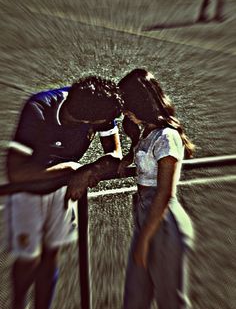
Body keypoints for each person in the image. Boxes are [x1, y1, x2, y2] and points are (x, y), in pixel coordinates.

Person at [6, 75, 123, 309]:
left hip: (62, 190)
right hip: (28, 193)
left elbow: (115, 154)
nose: (111, 122)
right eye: (106, 120)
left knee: (51, 255)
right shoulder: (38, 109)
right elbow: (16, 173)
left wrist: (87, 171)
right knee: (29, 258)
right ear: (88, 119)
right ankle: (18, 304)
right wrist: (70, 168)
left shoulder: (98, 108)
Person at [118, 69, 195, 309]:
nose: (124, 111)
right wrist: (128, 157)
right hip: (147, 218)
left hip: (162, 223)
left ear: (140, 103)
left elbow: (164, 193)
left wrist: (144, 240)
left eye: (127, 104)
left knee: (170, 301)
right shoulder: (149, 132)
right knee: (135, 298)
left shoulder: (167, 136)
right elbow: (145, 160)